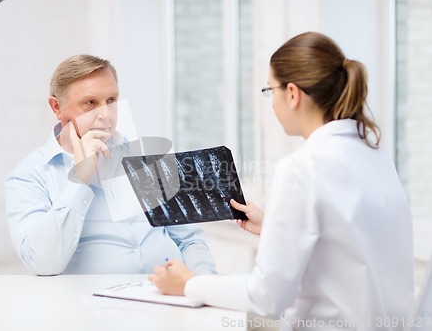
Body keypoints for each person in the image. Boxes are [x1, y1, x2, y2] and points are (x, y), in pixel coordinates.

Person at [148, 32, 414, 330]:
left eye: (269, 90)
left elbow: (268, 298)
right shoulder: (376, 157)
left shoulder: (302, 167)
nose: (271, 103)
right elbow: (348, 244)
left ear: (291, 94)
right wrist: (273, 226)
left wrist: (191, 283)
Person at [5, 54, 216, 275]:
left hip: (170, 296)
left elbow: (190, 241)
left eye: (111, 100)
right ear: (57, 107)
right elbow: (43, 263)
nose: (105, 115)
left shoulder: (146, 156)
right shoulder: (30, 175)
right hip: (92, 305)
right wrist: (80, 177)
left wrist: (202, 287)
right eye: (91, 103)